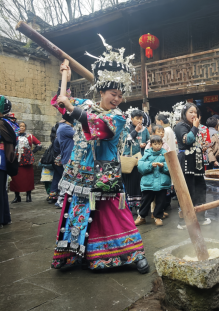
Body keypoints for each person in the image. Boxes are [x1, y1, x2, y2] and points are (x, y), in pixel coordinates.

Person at [50, 35, 148, 273]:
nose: (117, 99)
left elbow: (98, 126)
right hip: (79, 172)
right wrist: (65, 78)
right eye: (113, 93)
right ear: (102, 91)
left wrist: (72, 107)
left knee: (116, 212)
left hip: (105, 174)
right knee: (78, 212)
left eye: (120, 95)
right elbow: (62, 104)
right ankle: (77, 255)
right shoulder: (85, 104)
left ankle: (133, 252)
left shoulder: (118, 117)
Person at [174, 103, 211, 229]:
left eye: (195, 112)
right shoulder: (180, 125)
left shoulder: (193, 126)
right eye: (191, 112)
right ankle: (184, 221)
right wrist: (195, 127)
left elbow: (195, 143)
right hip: (186, 163)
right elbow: (187, 140)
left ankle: (199, 218)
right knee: (187, 191)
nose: (194, 115)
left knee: (200, 189)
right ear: (184, 114)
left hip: (197, 164)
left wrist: (202, 147)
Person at [135, 135, 171, 226]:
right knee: (146, 200)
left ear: (162, 144)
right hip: (149, 183)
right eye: (155, 144)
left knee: (161, 200)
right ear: (151, 145)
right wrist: (150, 165)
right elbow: (140, 166)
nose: (157, 146)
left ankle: (157, 217)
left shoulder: (166, 153)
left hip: (162, 182)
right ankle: (142, 217)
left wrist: (163, 166)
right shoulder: (146, 153)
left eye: (159, 144)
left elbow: (171, 166)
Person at [121, 108, 149, 214]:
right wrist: (136, 131)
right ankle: (128, 207)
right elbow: (126, 141)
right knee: (129, 184)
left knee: (139, 183)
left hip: (140, 160)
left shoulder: (145, 130)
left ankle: (138, 206)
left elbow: (149, 141)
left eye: (141, 119)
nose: (139, 121)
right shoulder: (126, 129)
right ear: (131, 118)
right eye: (137, 118)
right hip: (129, 160)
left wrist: (145, 144)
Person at [10, 121, 42, 203]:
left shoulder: (29, 136)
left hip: (27, 162)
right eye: (20, 126)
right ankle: (17, 196)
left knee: (28, 179)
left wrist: (32, 152)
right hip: (16, 161)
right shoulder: (14, 136)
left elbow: (39, 144)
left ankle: (28, 195)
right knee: (15, 179)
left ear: (25, 128)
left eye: (23, 126)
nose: (21, 127)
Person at [0, 96, 18, 228]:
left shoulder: (2, 123)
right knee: (2, 190)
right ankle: (5, 218)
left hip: (0, 159)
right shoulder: (9, 123)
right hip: (4, 160)